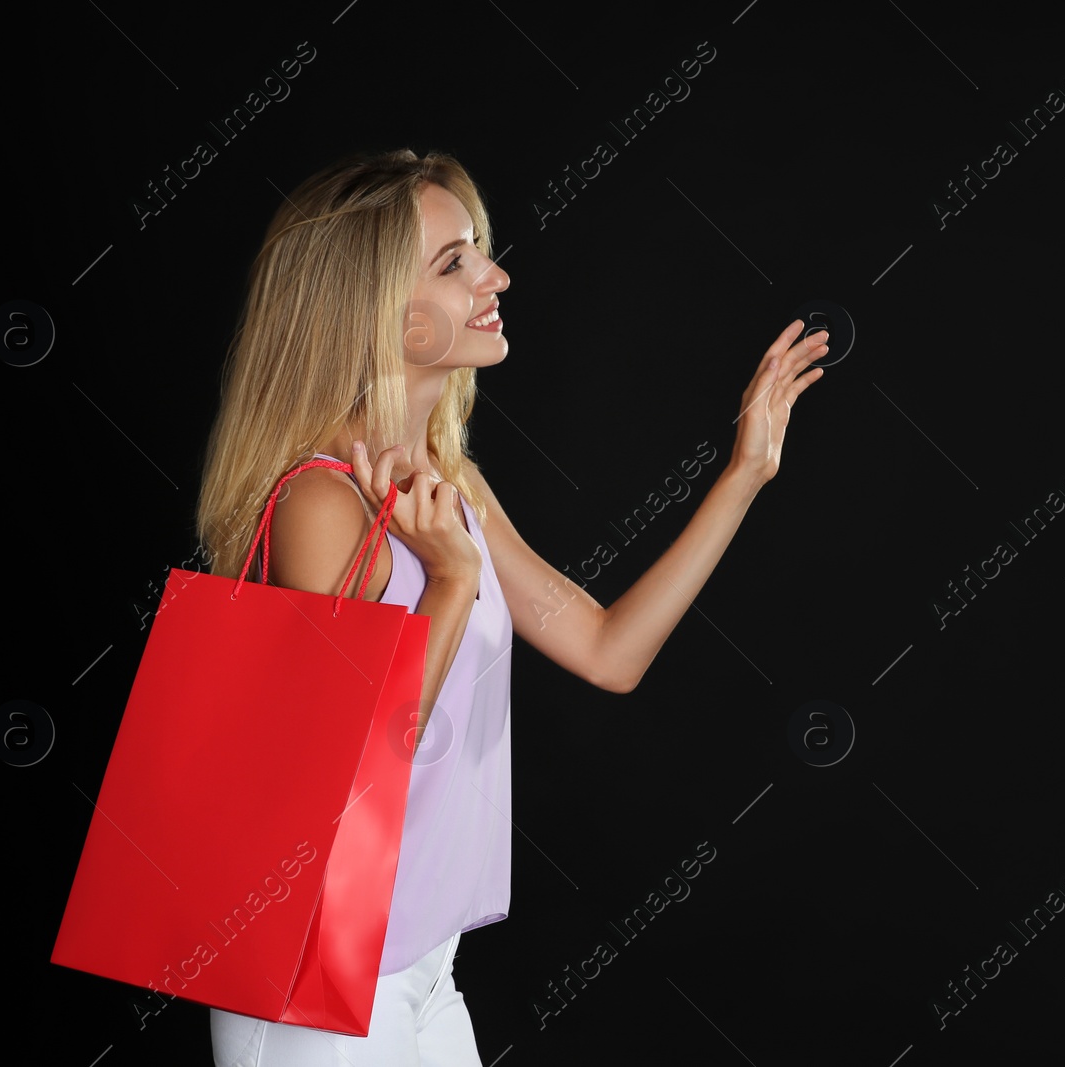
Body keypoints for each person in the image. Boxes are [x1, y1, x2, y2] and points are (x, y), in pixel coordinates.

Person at [195, 148, 826, 1066]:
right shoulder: (320, 500)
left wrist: (745, 472)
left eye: (479, 249)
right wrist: (449, 579)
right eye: (454, 263)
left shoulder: (455, 485)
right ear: (373, 304)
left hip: (423, 968)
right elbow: (353, 767)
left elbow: (610, 650)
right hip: (314, 981)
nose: (496, 275)